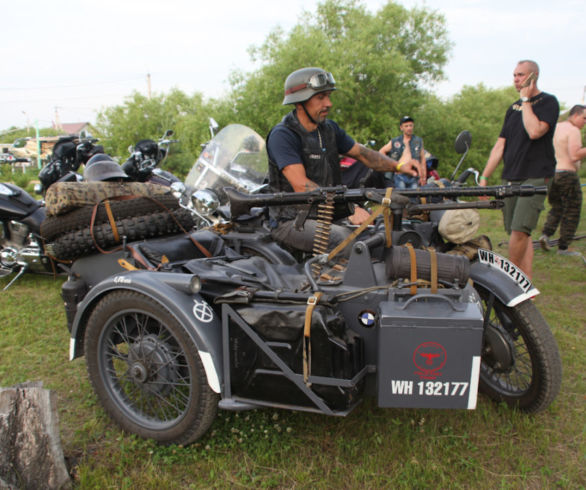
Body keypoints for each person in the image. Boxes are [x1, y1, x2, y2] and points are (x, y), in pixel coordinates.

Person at [266, 67, 418, 253]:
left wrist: (400, 166)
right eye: (321, 98)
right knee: (346, 241)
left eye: (329, 96)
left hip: (327, 214)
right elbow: (302, 187)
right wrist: (350, 207)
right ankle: (332, 280)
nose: (329, 103)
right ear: (300, 103)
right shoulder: (283, 135)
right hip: (291, 221)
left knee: (380, 234)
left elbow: (363, 154)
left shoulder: (329, 129)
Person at [479, 60, 559, 279]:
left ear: (533, 77)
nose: (516, 79)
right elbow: (500, 145)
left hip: (535, 175)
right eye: (514, 75)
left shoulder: (548, 102)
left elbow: (535, 131)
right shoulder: (512, 108)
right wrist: (485, 175)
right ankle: (527, 281)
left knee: (519, 230)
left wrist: (526, 101)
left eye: (521, 75)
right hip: (511, 176)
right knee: (518, 231)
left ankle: (510, 280)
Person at [539, 104, 586, 256]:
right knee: (572, 209)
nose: (585, 122)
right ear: (575, 115)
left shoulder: (556, 127)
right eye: (584, 118)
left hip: (552, 173)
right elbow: (574, 155)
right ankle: (563, 247)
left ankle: (545, 235)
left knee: (557, 206)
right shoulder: (573, 130)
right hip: (567, 173)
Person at [379, 116, 427, 189]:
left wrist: (423, 177)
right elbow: (381, 152)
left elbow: (422, 160)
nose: (409, 128)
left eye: (410, 125)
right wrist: (389, 165)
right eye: (406, 126)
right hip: (399, 175)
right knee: (401, 197)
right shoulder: (395, 141)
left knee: (414, 197)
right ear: (401, 128)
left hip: (414, 175)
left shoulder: (418, 141)